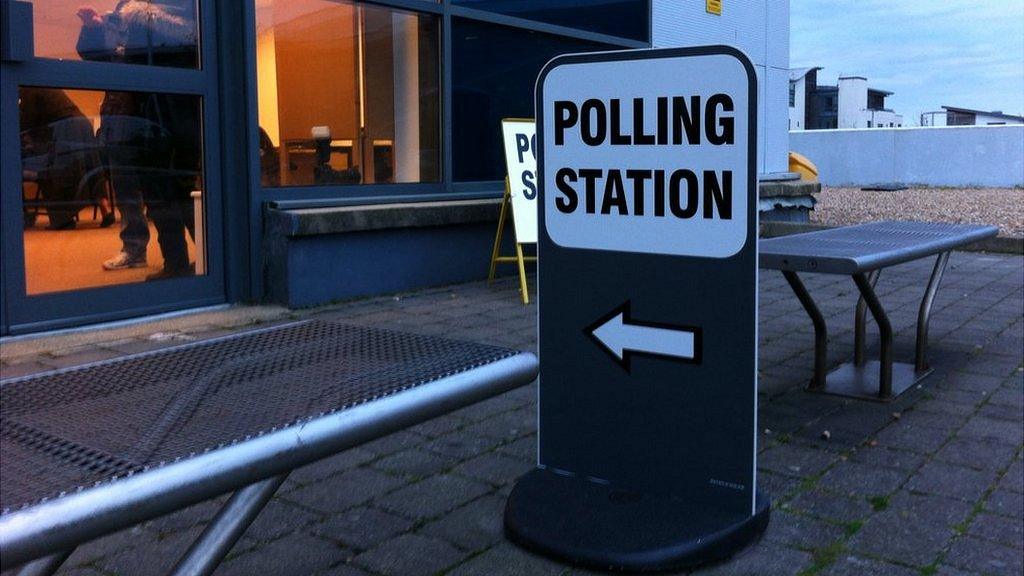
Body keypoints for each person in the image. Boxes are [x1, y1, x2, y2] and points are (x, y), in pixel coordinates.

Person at [76, 0, 200, 279]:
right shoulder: (193, 24)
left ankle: (177, 265)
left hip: (154, 124)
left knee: (162, 198)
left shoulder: (142, 23)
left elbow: (117, 62)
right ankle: (208, 258)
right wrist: (96, 30)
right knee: (180, 195)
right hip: (183, 123)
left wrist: (97, 32)